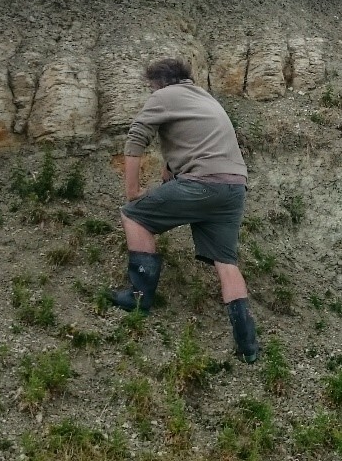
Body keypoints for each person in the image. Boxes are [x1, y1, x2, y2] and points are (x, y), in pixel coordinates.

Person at [107, 57, 260, 363]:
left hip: (202, 183)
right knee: (226, 261)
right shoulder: (203, 98)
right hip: (234, 187)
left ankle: (139, 298)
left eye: (152, 87)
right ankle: (248, 345)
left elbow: (136, 139)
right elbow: (184, 148)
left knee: (134, 215)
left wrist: (133, 192)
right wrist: (167, 178)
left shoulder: (163, 96)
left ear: (159, 83)